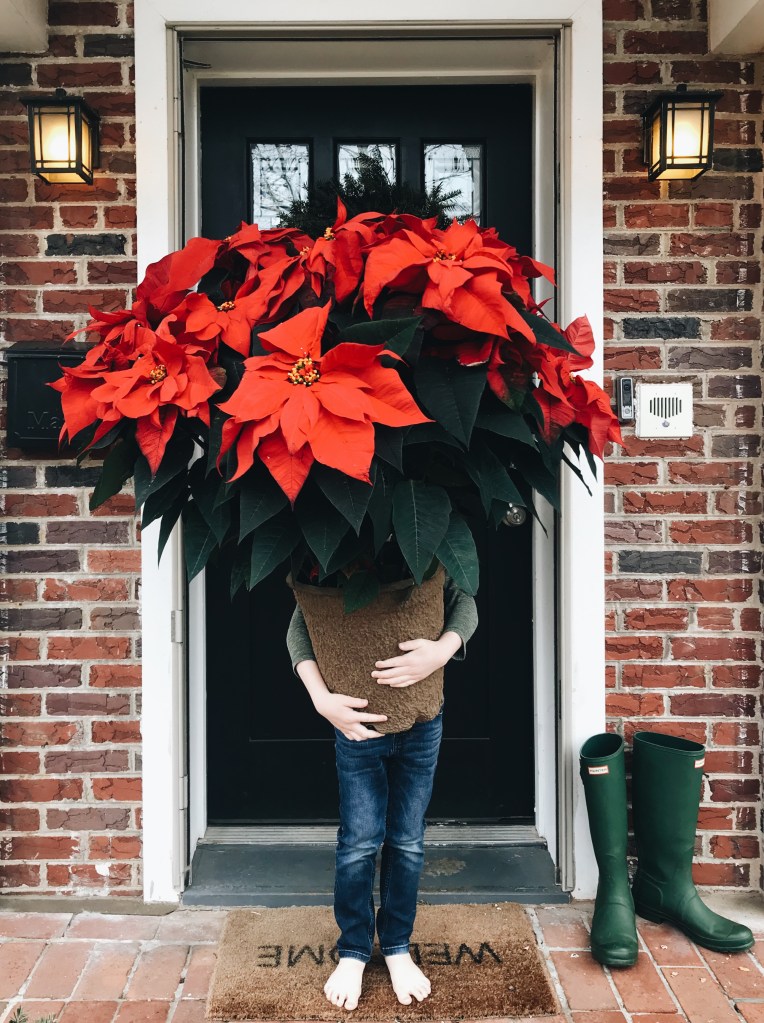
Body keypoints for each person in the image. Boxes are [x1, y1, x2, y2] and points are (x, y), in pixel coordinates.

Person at [287, 574, 478, 1011]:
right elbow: (302, 619)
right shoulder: (333, 563)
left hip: (422, 723)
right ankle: (353, 949)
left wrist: (441, 651)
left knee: (407, 839)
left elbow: (463, 600)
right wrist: (320, 698)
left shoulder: (428, 556)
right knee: (359, 841)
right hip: (356, 726)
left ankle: (396, 946)